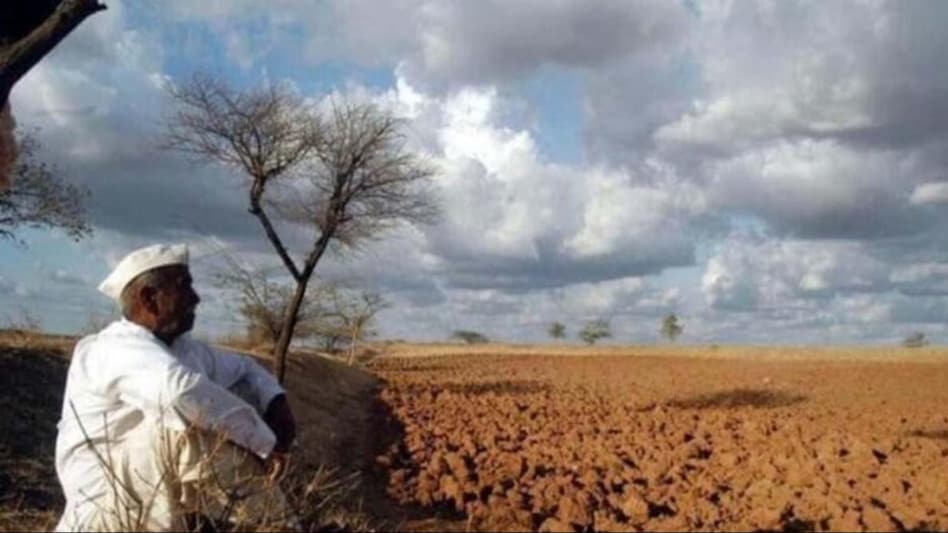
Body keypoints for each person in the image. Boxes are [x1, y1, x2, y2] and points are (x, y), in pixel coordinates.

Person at [54, 243, 298, 531]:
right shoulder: (112, 349)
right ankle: (281, 525)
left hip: (151, 500)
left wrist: (275, 401)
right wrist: (266, 444)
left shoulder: (183, 349)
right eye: (185, 286)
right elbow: (179, 393)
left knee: (232, 399)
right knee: (179, 428)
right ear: (149, 298)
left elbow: (245, 368)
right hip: (105, 509)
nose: (196, 298)